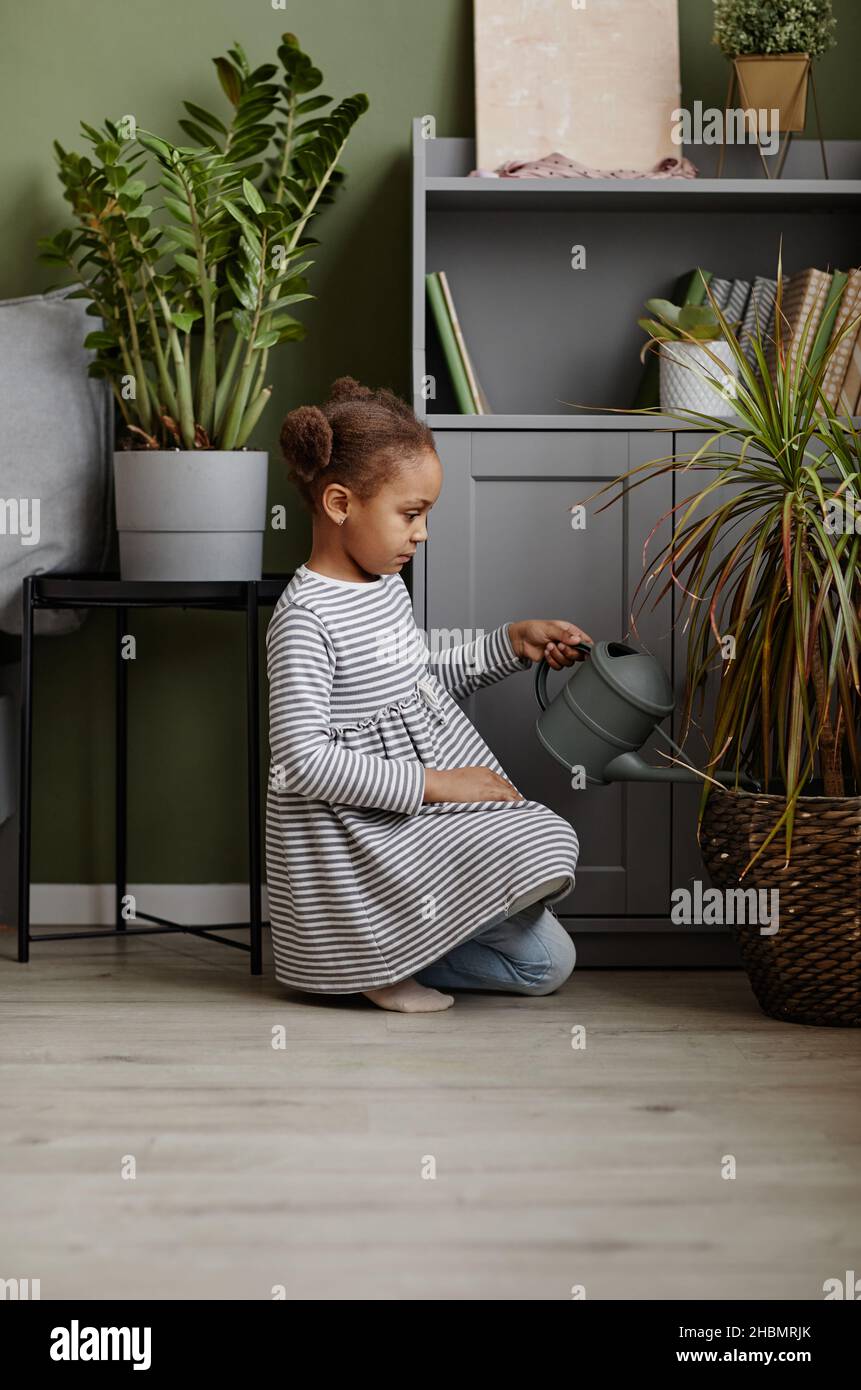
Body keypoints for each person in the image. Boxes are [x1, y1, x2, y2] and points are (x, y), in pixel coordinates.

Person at [266, 376, 591, 1014]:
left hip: (415, 833)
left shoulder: (382, 583)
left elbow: (413, 681)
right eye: (411, 514)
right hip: (361, 841)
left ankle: (389, 947)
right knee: (538, 854)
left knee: (548, 962)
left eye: (427, 516)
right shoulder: (305, 617)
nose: (423, 534)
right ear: (339, 503)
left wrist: (511, 643)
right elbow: (301, 760)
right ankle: (359, 956)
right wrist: (439, 784)